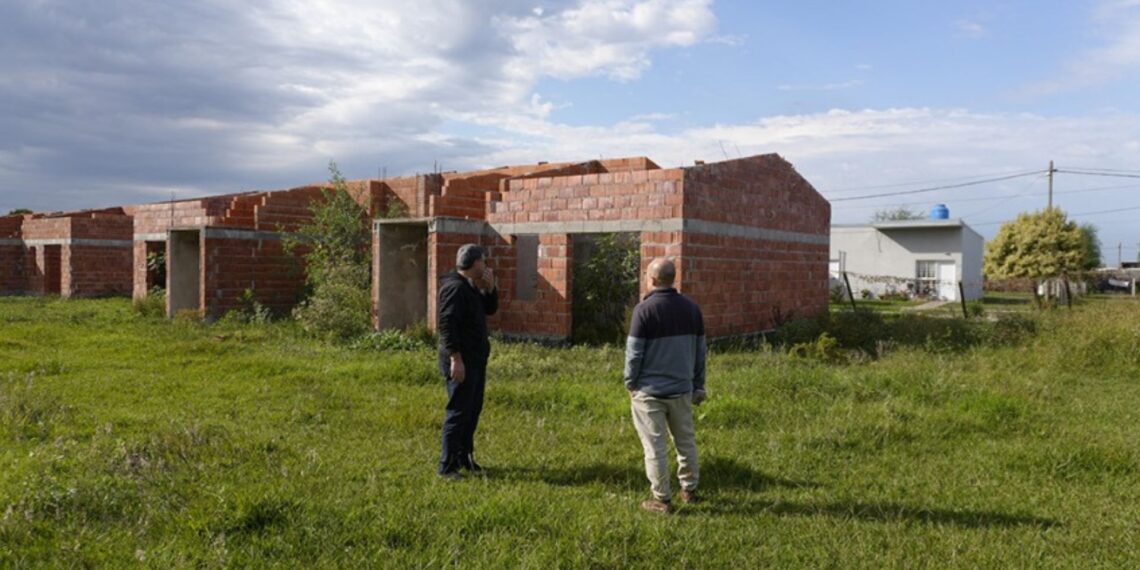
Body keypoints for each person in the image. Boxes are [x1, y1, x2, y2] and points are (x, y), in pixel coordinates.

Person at [624, 257, 707, 513]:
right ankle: (689, 489)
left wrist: (631, 382)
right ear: (674, 279)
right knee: (686, 442)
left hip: (649, 392)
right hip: (682, 389)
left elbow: (634, 353)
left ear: (652, 280)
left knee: (655, 447)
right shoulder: (692, 309)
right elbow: (700, 351)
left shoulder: (644, 310)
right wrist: (698, 385)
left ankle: (661, 499)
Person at [436, 243, 498, 479]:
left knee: (472, 410)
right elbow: (446, 326)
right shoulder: (454, 289)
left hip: (475, 360)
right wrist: (455, 359)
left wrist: (490, 289)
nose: (486, 265)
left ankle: (464, 458)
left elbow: (489, 310)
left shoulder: (470, 287)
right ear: (474, 263)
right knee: (458, 411)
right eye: (483, 261)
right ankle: (447, 467)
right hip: (461, 361)